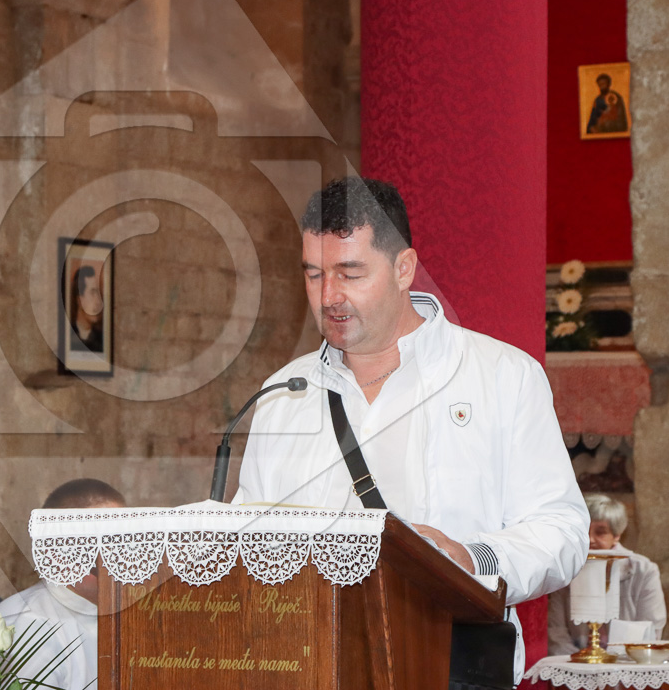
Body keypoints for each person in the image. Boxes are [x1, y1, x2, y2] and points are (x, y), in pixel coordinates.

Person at [232, 176, 589, 683]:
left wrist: (471, 558)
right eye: (314, 274)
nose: (329, 296)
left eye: (350, 273)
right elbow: (248, 540)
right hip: (308, 665)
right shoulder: (283, 395)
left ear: (404, 268)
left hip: (449, 665)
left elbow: (562, 530)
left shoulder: (501, 376)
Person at [0, 479, 126, 690]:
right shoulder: (28, 627)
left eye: (125, 541)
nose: (116, 556)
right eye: (100, 543)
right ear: (56, 550)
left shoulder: (131, 611)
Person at [547, 493, 667, 655]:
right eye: (584, 531)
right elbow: (556, 633)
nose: (590, 539)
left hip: (628, 662)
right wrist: (580, 664)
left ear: (616, 536)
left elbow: (651, 627)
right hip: (576, 661)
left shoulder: (644, 570)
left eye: (600, 532)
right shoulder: (567, 569)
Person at [68, 265, 104, 353]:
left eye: (99, 294)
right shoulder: (66, 337)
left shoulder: (103, 340)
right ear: (79, 299)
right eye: (92, 293)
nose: (98, 302)